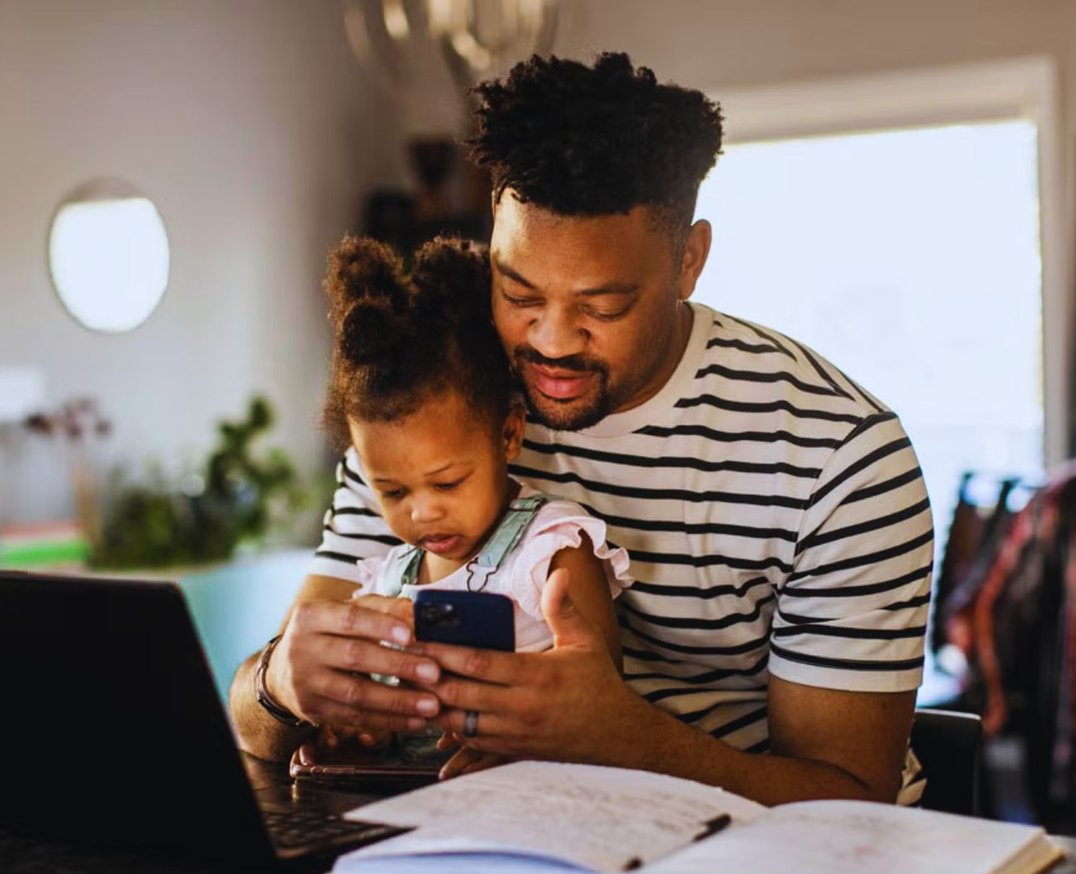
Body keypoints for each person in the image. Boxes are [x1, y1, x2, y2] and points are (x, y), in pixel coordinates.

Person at [232, 52, 935, 807]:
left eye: (603, 306)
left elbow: (852, 805)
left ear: (689, 260)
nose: (554, 341)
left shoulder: (839, 458)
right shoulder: (436, 408)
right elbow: (254, 726)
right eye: (518, 290)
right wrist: (282, 683)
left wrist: (622, 740)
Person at [300, 235, 630, 775]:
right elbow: (377, 703)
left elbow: (600, 705)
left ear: (508, 435)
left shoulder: (551, 551)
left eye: (447, 483)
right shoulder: (388, 579)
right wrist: (354, 725)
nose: (422, 513)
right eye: (393, 492)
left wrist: (524, 743)